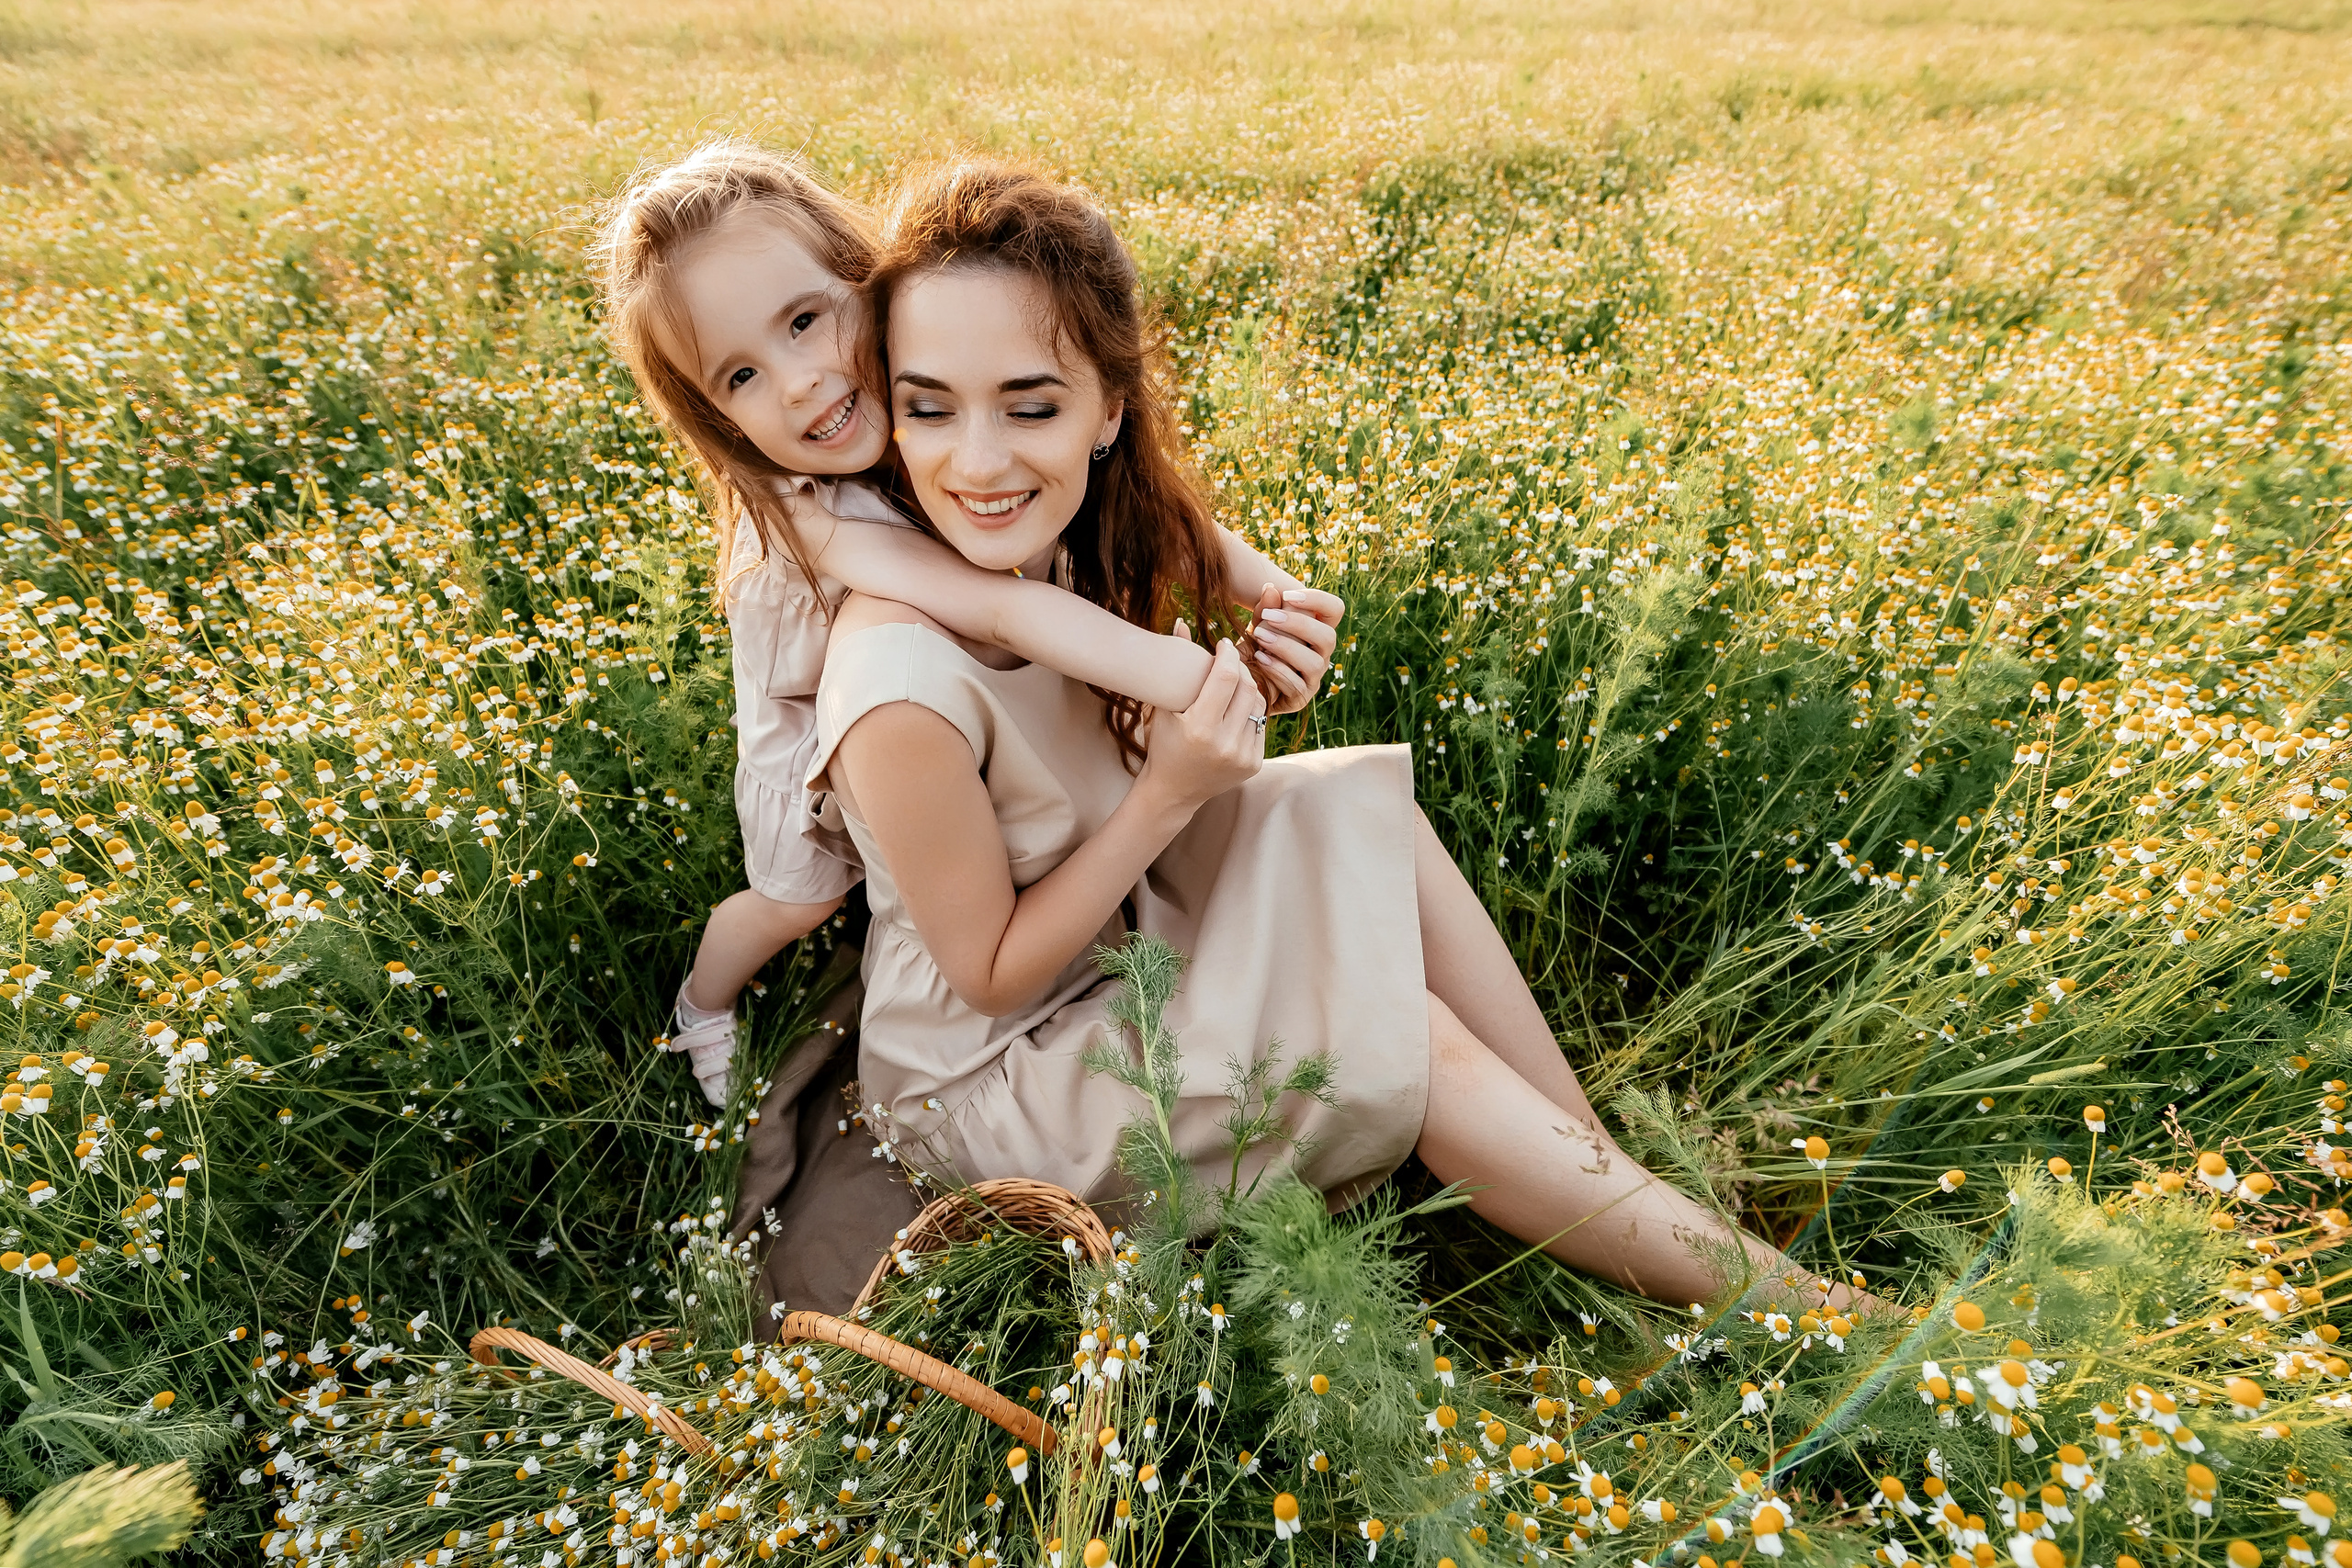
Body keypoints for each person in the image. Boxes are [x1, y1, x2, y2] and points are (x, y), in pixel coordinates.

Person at [808, 157, 1858, 1312]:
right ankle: (1824, 1325)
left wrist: (1251, 687)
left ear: (1110, 409)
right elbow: (995, 977)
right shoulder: (900, 682)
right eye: (927, 405)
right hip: (1002, 1085)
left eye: (1031, 404)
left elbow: (1099, 762)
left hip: (1112, 941)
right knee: (1401, 1029)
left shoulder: (1044, 547)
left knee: (1355, 810)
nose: (978, 460)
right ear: (887, 410)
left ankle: (1607, 1181)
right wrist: (1169, 791)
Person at [591, 140, 1342, 1104]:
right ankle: (701, 1002)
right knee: (800, 898)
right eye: (738, 377)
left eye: (806, 321)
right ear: (716, 415)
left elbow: (1152, 507)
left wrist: (1273, 595)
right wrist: (1205, 687)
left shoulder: (926, 405)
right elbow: (1000, 604)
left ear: (864, 282)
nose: (797, 383)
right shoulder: (818, 518)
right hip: (807, 736)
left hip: (919, 726)